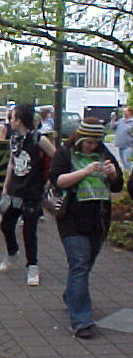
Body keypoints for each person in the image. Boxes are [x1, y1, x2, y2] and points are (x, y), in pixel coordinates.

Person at [49, 118, 123, 338]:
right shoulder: (65, 153)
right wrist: (85, 171)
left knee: (85, 265)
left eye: (96, 142)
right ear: (79, 138)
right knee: (79, 264)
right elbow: (57, 180)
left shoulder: (104, 153)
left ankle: (72, 295)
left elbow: (117, 185)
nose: (92, 146)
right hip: (72, 219)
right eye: (88, 142)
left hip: (98, 219)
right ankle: (82, 321)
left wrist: (112, 174)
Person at [0, 103, 56, 285]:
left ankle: (32, 266)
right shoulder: (14, 139)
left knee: (29, 230)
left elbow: (57, 158)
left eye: (13, 117)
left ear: (19, 120)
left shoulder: (39, 139)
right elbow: (11, 163)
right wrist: (6, 187)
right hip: (15, 190)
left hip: (32, 191)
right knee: (6, 225)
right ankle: (12, 252)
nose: (10, 121)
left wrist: (50, 181)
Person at [110, 106, 133, 172]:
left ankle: (130, 175)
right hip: (120, 145)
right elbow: (113, 127)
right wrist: (113, 119)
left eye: (125, 111)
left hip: (129, 146)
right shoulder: (121, 120)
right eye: (123, 111)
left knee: (127, 162)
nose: (124, 112)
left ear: (130, 112)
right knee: (124, 163)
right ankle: (127, 176)